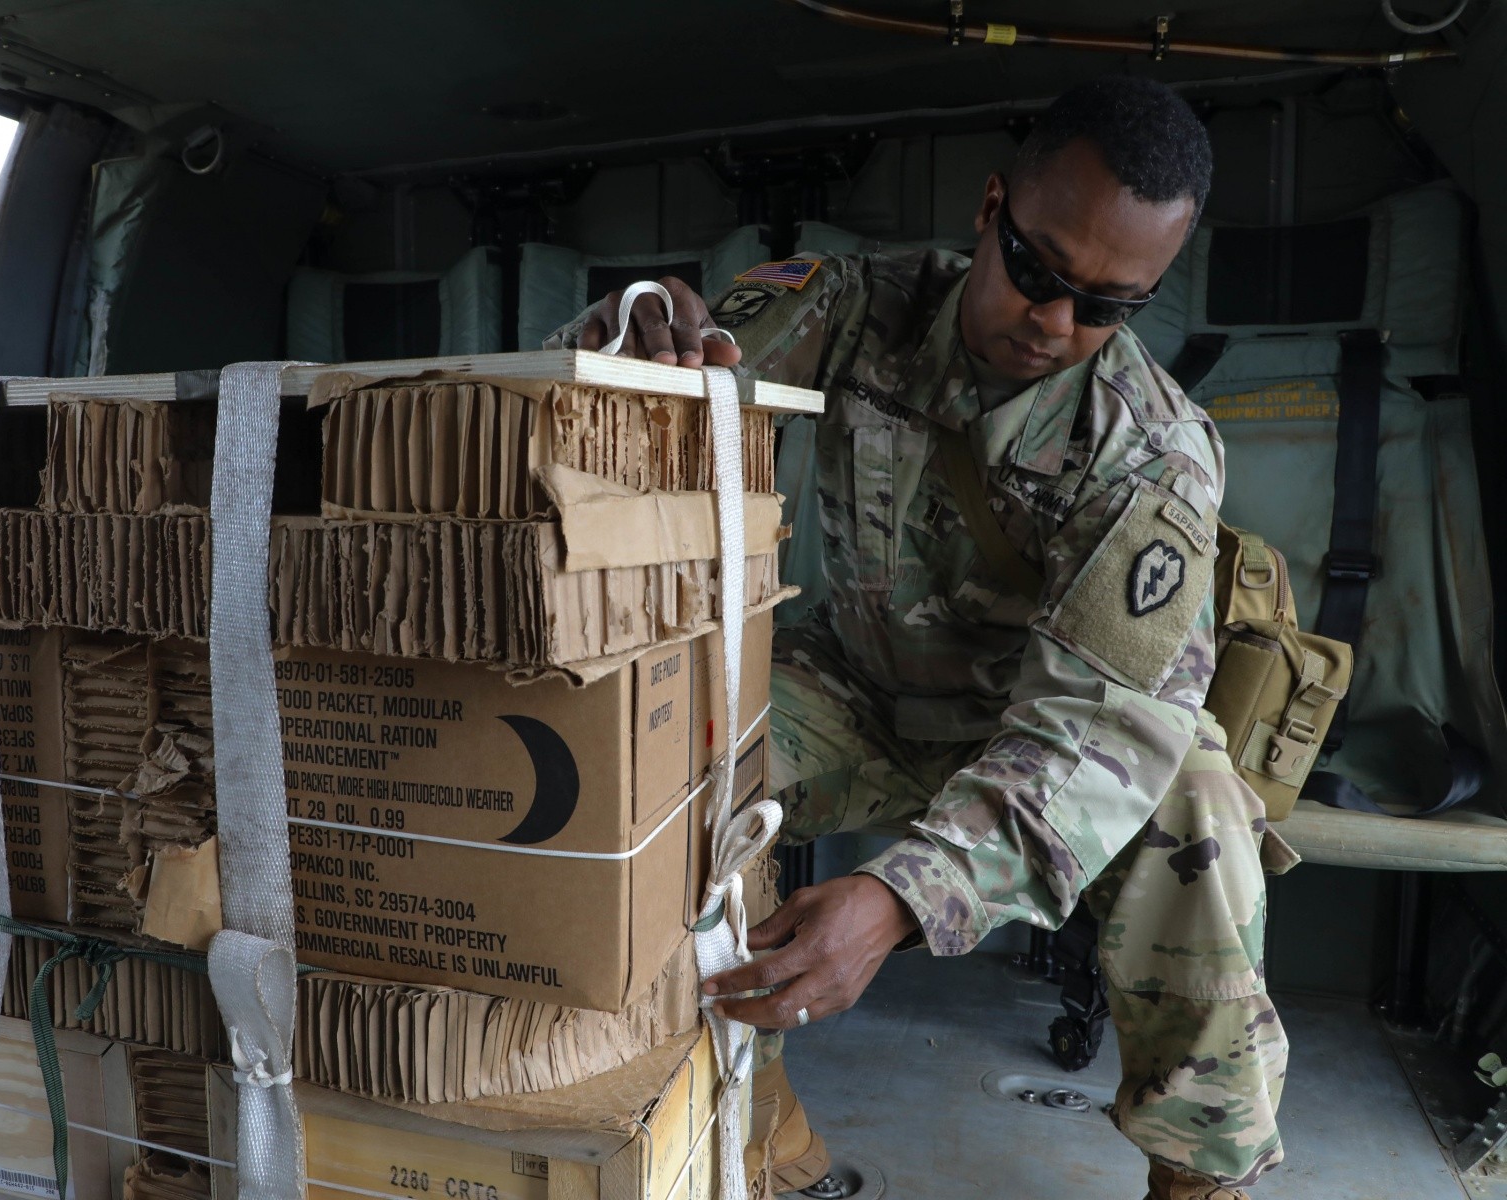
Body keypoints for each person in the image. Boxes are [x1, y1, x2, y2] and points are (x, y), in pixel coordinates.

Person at [547, 77, 1296, 1200]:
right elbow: (668, 385)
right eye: (1039, 273)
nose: (1055, 324)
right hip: (855, 697)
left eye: (1106, 307)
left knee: (1194, 810)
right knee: (664, 749)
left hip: (1030, 735)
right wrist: (628, 343)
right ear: (992, 207)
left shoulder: (1151, 457)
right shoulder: (852, 303)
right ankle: (703, 1113)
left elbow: (1094, 738)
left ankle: (1205, 1174)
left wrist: (903, 896)